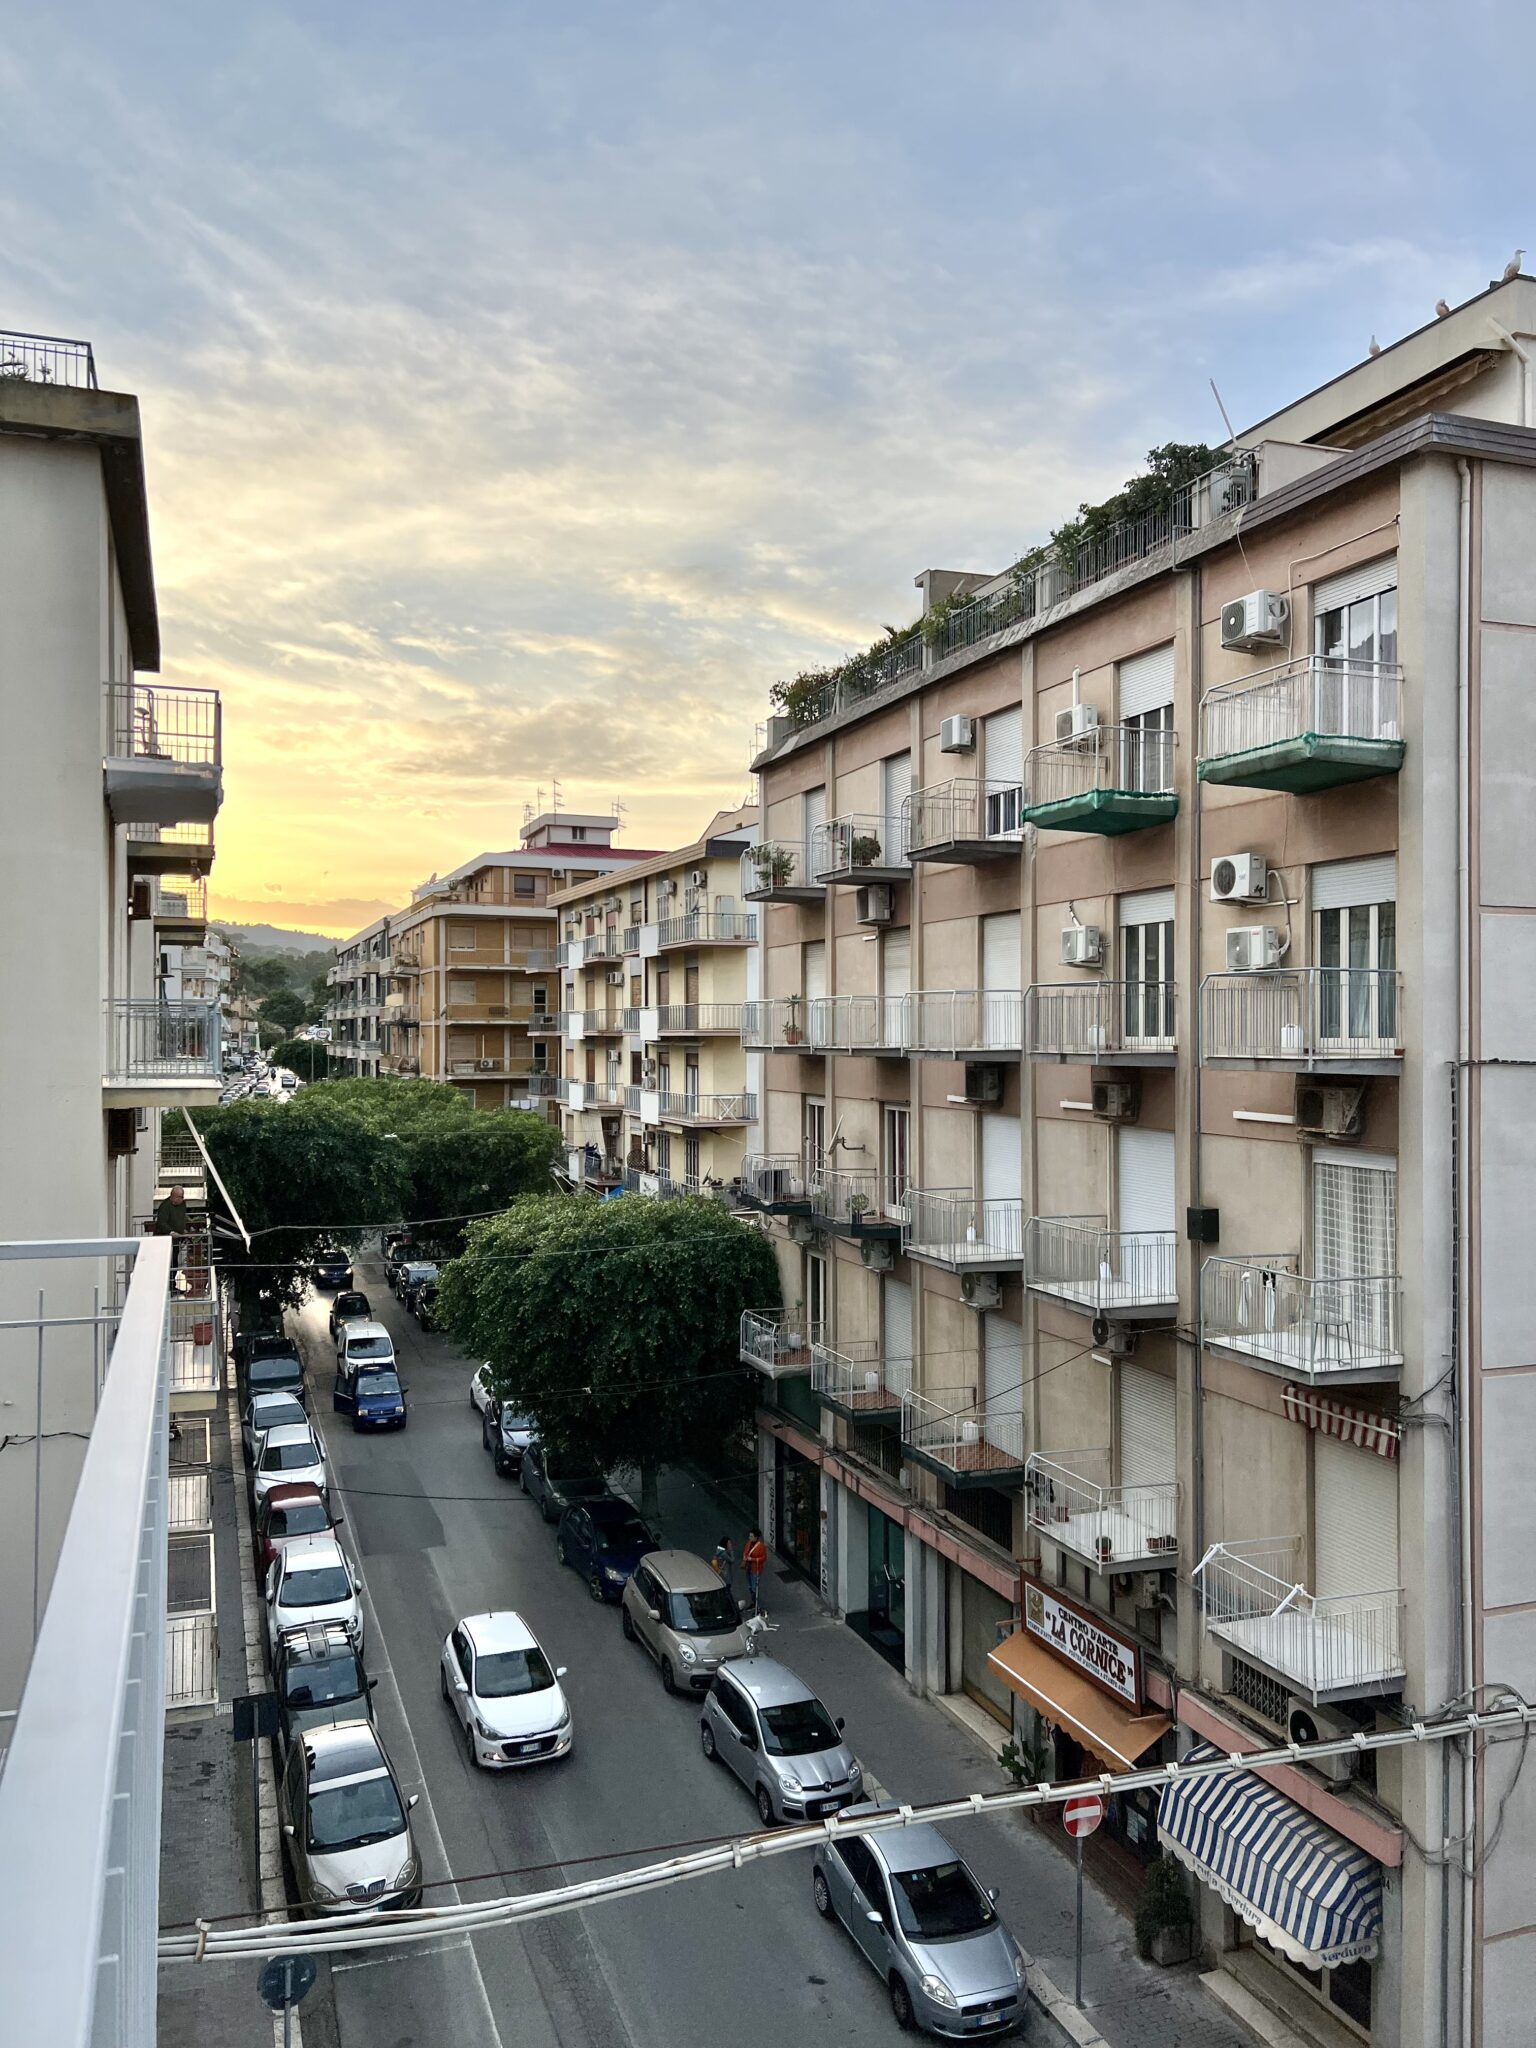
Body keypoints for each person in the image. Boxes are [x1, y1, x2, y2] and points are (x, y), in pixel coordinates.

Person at [743, 1528, 768, 1614]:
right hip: (749, 1568)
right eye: (749, 1536)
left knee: (754, 1588)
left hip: (756, 1569)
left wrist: (753, 1559)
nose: (749, 1537)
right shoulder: (748, 1543)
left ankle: (759, 1606)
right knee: (750, 1587)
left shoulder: (761, 1546)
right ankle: (754, 1603)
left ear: (756, 1537)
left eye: (751, 1536)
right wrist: (745, 1556)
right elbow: (745, 1551)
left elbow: (764, 1558)